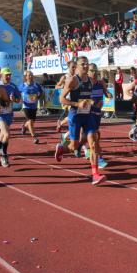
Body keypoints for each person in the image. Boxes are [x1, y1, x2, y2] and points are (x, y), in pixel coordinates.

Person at [55, 56, 106, 185]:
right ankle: (62, 148)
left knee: (93, 143)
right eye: (82, 64)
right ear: (77, 66)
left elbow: (87, 98)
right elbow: (62, 99)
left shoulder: (89, 80)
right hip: (75, 116)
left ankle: (95, 175)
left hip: (87, 116)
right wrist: (77, 104)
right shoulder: (73, 80)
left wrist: (92, 103)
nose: (85, 66)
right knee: (74, 146)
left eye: (87, 64)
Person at [0, 67, 21, 168]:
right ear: (2, 75)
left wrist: (14, 99)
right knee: (6, 134)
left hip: (9, 114)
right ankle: (4, 155)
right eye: (7, 75)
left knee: (2, 136)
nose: (9, 76)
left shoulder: (13, 86)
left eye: (10, 75)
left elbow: (18, 100)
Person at [20, 71, 44, 144]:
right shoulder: (23, 85)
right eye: (29, 75)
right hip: (26, 106)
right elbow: (17, 92)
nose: (30, 76)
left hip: (34, 106)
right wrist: (19, 99)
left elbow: (41, 92)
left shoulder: (36, 85)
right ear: (26, 77)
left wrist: (38, 97)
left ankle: (24, 126)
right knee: (30, 121)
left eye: (31, 75)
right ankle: (34, 137)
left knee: (32, 122)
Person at [56, 61, 77, 132]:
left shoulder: (77, 77)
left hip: (75, 99)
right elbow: (56, 86)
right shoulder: (64, 77)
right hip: (67, 99)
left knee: (73, 116)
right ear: (68, 67)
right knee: (74, 115)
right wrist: (61, 86)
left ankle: (61, 123)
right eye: (72, 67)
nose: (74, 69)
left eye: (75, 67)